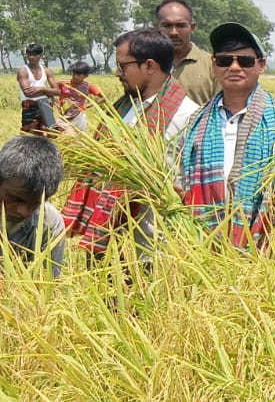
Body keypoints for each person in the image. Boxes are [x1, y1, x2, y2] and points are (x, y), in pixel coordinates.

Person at [62, 28, 201, 258]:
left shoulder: (187, 117)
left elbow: (197, 189)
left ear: (149, 66)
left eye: (123, 66)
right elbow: (109, 163)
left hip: (156, 249)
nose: (118, 73)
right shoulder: (123, 108)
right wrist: (79, 143)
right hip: (108, 238)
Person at [175, 23, 275, 251]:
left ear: (261, 65)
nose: (234, 67)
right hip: (202, 245)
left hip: (268, 247)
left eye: (245, 61)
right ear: (214, 65)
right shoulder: (194, 122)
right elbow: (179, 181)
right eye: (225, 60)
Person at [0, 135, 67, 277]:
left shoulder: (50, 224)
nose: (24, 212)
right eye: (15, 198)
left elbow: (48, 287)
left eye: (36, 204)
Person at [155, 0, 217, 105]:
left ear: (192, 28)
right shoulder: (146, 64)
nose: (174, 32)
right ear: (156, 27)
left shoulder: (213, 65)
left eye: (181, 26)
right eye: (167, 26)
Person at [17, 43, 59, 134]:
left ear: (41, 55)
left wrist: (41, 89)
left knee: (50, 131)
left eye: (34, 55)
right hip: (29, 105)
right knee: (30, 132)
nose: (31, 57)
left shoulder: (46, 71)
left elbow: (57, 91)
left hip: (45, 104)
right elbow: (28, 93)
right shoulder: (23, 71)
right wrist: (48, 92)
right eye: (29, 54)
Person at [58, 61, 105, 133]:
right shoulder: (62, 83)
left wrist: (86, 106)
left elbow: (103, 98)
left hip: (79, 116)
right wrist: (54, 102)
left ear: (86, 76)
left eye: (79, 75)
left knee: (79, 139)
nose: (75, 77)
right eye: (74, 74)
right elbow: (51, 91)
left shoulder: (88, 86)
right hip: (63, 116)